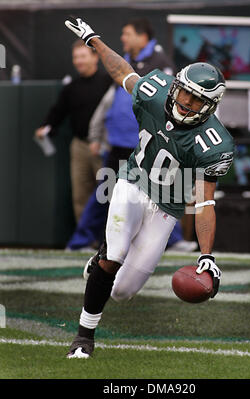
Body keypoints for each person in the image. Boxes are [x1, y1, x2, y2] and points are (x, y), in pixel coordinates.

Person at [64, 17, 235, 358]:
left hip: (168, 206)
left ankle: (101, 259)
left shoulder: (215, 144)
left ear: (211, 106)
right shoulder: (155, 90)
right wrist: (94, 40)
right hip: (132, 181)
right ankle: (84, 337)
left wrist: (206, 255)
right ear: (176, 85)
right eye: (185, 91)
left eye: (197, 100)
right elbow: (122, 72)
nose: (186, 102)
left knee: (123, 292)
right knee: (114, 257)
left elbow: (203, 204)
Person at [66, 18, 195, 251]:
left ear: (142, 36)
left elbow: (167, 104)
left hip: (145, 144)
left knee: (158, 190)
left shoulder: (159, 62)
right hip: (118, 142)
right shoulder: (128, 60)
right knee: (105, 192)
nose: (123, 38)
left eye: (127, 34)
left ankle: (172, 240)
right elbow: (110, 101)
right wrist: (97, 134)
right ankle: (82, 240)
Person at [35, 39, 112, 222]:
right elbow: (58, 112)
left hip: (104, 146)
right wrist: (46, 128)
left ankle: (109, 241)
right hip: (79, 146)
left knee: (108, 195)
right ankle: (84, 239)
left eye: (83, 56)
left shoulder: (108, 82)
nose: (79, 61)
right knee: (80, 194)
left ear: (95, 57)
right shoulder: (71, 87)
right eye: (76, 57)